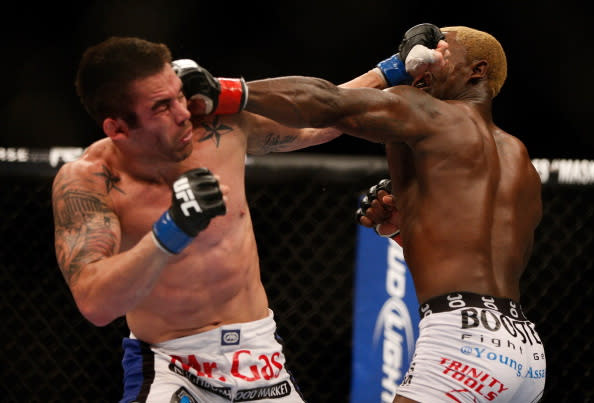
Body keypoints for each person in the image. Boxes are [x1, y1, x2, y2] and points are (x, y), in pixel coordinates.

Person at [51, 27, 440, 403]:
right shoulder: (91, 181)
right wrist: (171, 231)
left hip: (262, 360)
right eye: (162, 107)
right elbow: (95, 303)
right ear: (116, 128)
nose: (183, 112)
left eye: (177, 94)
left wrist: (391, 70)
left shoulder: (218, 125)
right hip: (172, 365)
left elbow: (320, 119)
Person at [193, 25, 545, 402]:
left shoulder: (430, 113)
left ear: (476, 71)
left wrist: (226, 91)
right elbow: (486, 255)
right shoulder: (520, 161)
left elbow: (327, 102)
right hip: (524, 349)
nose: (430, 55)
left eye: (443, 50)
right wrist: (403, 230)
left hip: (461, 341)